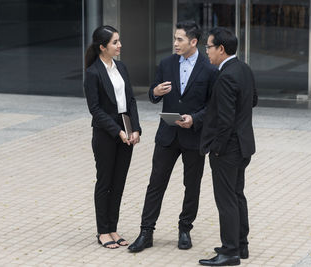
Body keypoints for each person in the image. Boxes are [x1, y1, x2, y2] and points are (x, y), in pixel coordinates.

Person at [128, 21, 218, 253]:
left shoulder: (209, 69)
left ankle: (185, 228)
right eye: (174, 39)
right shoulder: (166, 63)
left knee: (192, 185)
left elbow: (213, 105)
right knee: (156, 184)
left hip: (194, 136)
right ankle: (146, 231)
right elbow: (153, 93)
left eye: (180, 39)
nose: (175, 43)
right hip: (167, 135)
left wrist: (195, 119)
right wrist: (154, 92)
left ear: (193, 42)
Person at [198, 27, 257, 266]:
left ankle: (230, 251)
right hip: (244, 146)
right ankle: (241, 246)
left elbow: (225, 120)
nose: (207, 52)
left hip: (228, 150)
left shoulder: (225, 76)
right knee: (236, 195)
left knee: (227, 200)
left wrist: (218, 148)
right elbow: (253, 100)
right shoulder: (244, 69)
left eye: (209, 47)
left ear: (221, 49)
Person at [84, 25, 142, 249]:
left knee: (119, 182)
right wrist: (117, 131)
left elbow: (131, 101)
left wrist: (135, 128)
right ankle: (102, 231)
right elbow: (95, 110)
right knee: (105, 181)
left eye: (119, 41)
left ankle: (113, 227)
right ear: (102, 47)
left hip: (126, 128)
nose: (120, 46)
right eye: (115, 42)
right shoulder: (93, 73)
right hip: (106, 133)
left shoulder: (122, 68)